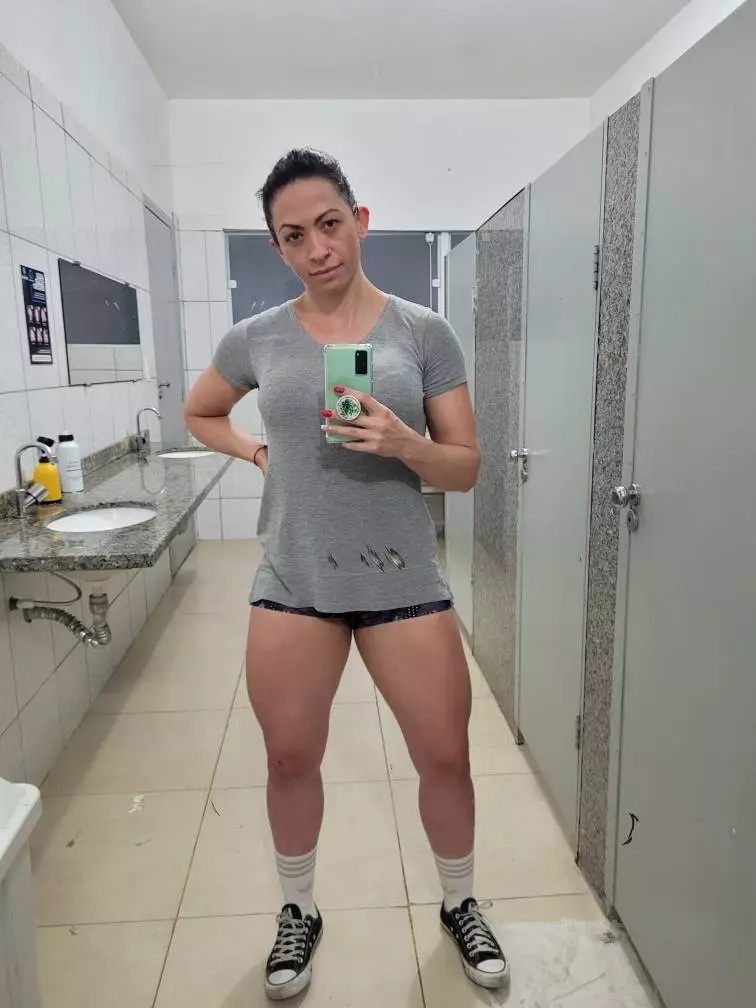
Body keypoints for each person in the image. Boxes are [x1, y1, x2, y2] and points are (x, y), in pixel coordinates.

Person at [184, 149, 508, 1001]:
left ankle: (460, 901)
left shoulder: (422, 331)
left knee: (445, 756)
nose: (317, 247)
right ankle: (299, 909)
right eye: (294, 236)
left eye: (329, 224)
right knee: (290, 758)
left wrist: (405, 443)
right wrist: (256, 450)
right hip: (295, 578)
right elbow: (200, 410)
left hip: (403, 579)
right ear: (278, 248)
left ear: (359, 221)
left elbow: (466, 467)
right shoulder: (255, 337)